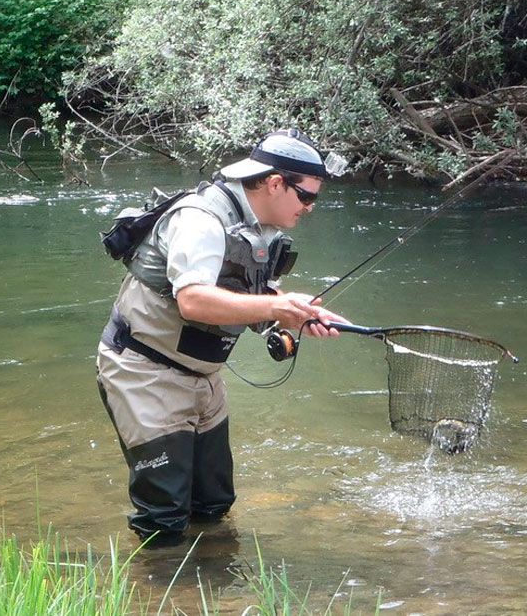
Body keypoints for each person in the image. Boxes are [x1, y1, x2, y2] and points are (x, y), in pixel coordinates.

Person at [96, 128, 346, 545]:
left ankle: (214, 595)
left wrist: (291, 317)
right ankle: (159, 598)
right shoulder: (201, 220)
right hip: (145, 372)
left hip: (204, 379)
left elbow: (243, 296)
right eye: (306, 196)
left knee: (214, 505)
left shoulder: (257, 225)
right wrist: (275, 308)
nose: (310, 207)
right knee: (164, 516)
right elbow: (194, 300)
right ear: (274, 183)